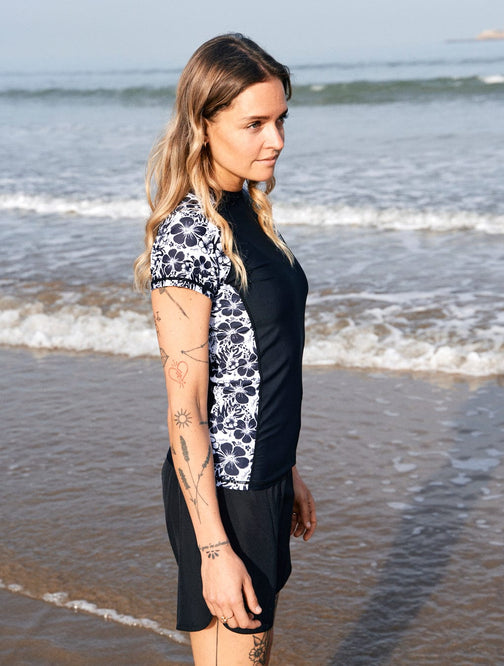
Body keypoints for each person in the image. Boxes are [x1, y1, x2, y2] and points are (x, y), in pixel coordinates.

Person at [134, 33, 317, 666]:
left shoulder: (248, 213)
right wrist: (215, 549)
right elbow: (186, 405)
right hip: (226, 494)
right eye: (256, 123)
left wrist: (286, 467)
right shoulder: (189, 232)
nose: (278, 140)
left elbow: (258, 360)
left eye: (282, 119)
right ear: (203, 124)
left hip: (261, 478)